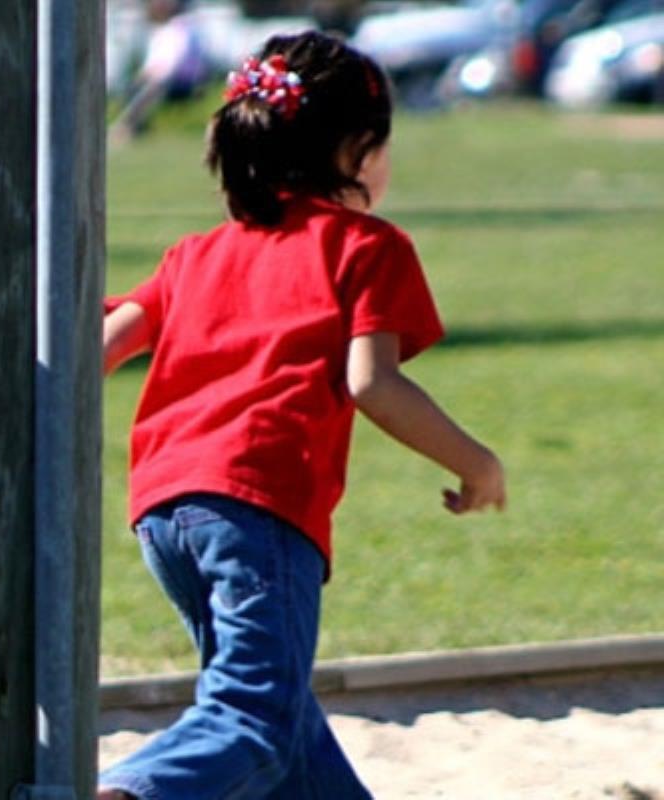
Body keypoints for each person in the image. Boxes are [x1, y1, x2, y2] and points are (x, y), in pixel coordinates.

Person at [98, 31, 506, 800]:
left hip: (162, 511)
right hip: (261, 508)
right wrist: (476, 463)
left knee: (278, 717)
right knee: (250, 716)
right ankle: (132, 794)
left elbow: (101, 349)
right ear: (356, 151)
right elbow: (372, 384)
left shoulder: (195, 253)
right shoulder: (367, 248)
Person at [110, 0, 209, 144]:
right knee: (136, 86)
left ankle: (125, 126)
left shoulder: (180, 27)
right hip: (160, 78)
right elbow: (154, 62)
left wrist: (153, 74)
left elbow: (174, 62)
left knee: (154, 87)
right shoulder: (161, 30)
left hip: (181, 81)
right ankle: (134, 126)